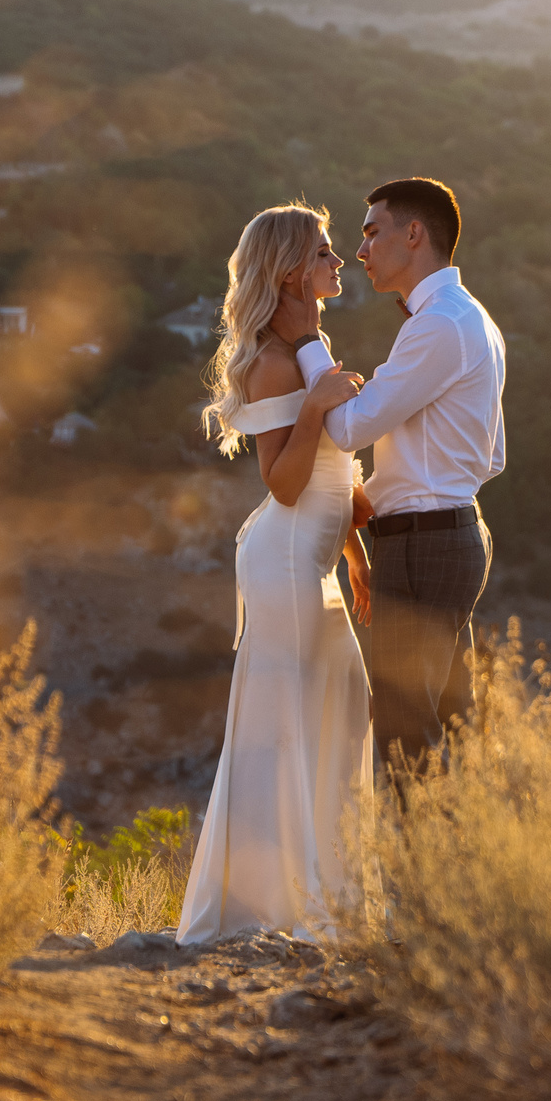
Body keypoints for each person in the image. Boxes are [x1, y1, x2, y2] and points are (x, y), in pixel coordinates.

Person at [176, 205, 374, 945]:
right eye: (325, 252)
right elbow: (284, 483)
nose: (339, 261)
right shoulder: (272, 362)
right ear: (292, 270)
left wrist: (356, 553)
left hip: (315, 560)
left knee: (342, 706)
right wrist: (318, 410)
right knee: (286, 723)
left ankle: (320, 891)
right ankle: (274, 907)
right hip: (284, 557)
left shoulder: (311, 346)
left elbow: (331, 475)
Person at [277, 177, 506, 774]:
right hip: (451, 535)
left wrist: (307, 340)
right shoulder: (472, 318)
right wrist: (376, 496)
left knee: (405, 738)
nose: (359, 252)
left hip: (424, 546)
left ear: (414, 234)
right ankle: (460, 862)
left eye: (371, 233)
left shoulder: (439, 326)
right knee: (449, 724)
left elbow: (348, 428)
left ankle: (426, 865)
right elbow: (492, 456)